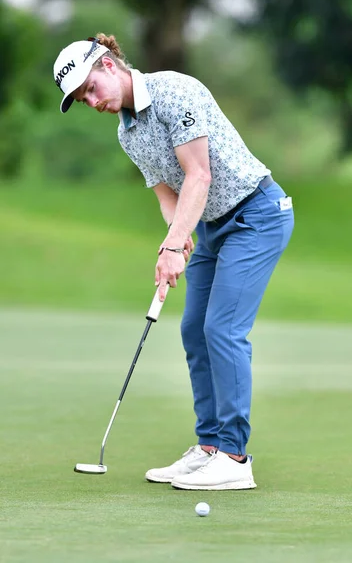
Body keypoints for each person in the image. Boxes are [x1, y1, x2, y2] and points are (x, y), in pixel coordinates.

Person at [53, 34, 294, 490]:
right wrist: (176, 241)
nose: (90, 101)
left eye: (89, 88)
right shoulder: (128, 133)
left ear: (107, 65)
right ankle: (209, 447)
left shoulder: (173, 90)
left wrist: (173, 245)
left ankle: (235, 458)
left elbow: (198, 175)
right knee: (193, 329)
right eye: (81, 98)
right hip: (211, 227)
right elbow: (170, 196)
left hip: (256, 214)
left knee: (222, 329)